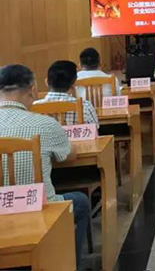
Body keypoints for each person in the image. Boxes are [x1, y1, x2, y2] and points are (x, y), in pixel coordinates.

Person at [0, 64, 90, 269]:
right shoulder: (44, 124)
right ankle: (69, 264)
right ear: (32, 90)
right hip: (39, 209)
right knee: (81, 202)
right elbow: (70, 156)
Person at [34, 60, 99, 127]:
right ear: (73, 84)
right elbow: (95, 130)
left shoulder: (33, 107)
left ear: (46, 82)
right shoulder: (85, 106)